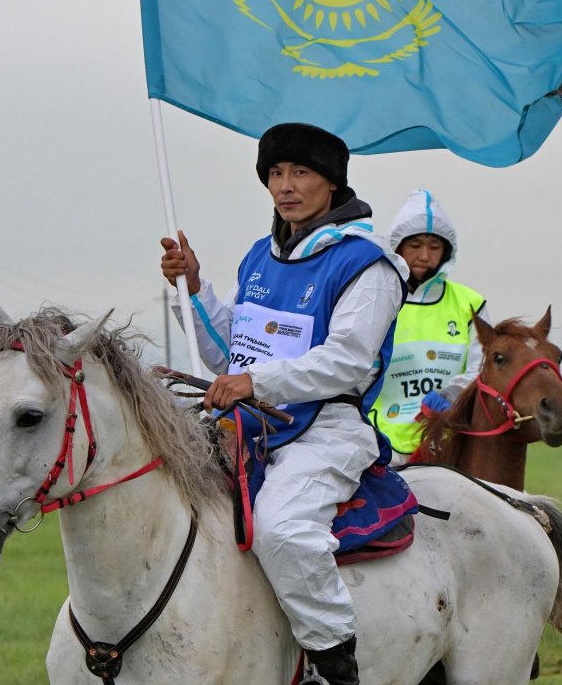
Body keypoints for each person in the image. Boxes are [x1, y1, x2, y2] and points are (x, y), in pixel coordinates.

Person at [160, 122, 407, 685]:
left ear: (332, 184)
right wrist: (193, 289)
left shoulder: (368, 264)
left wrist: (255, 383)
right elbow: (229, 354)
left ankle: (333, 663)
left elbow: (348, 361)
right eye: (275, 174)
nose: (285, 186)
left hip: (327, 430)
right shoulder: (258, 256)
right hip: (247, 427)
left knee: (281, 529)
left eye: (300, 173)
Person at [369, 188, 489, 465]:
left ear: (446, 252)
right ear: (397, 246)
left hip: (448, 441)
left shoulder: (470, 303)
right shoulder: (377, 298)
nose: (424, 255)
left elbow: (483, 366)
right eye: (415, 245)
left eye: (434, 247)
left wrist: (453, 393)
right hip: (379, 442)